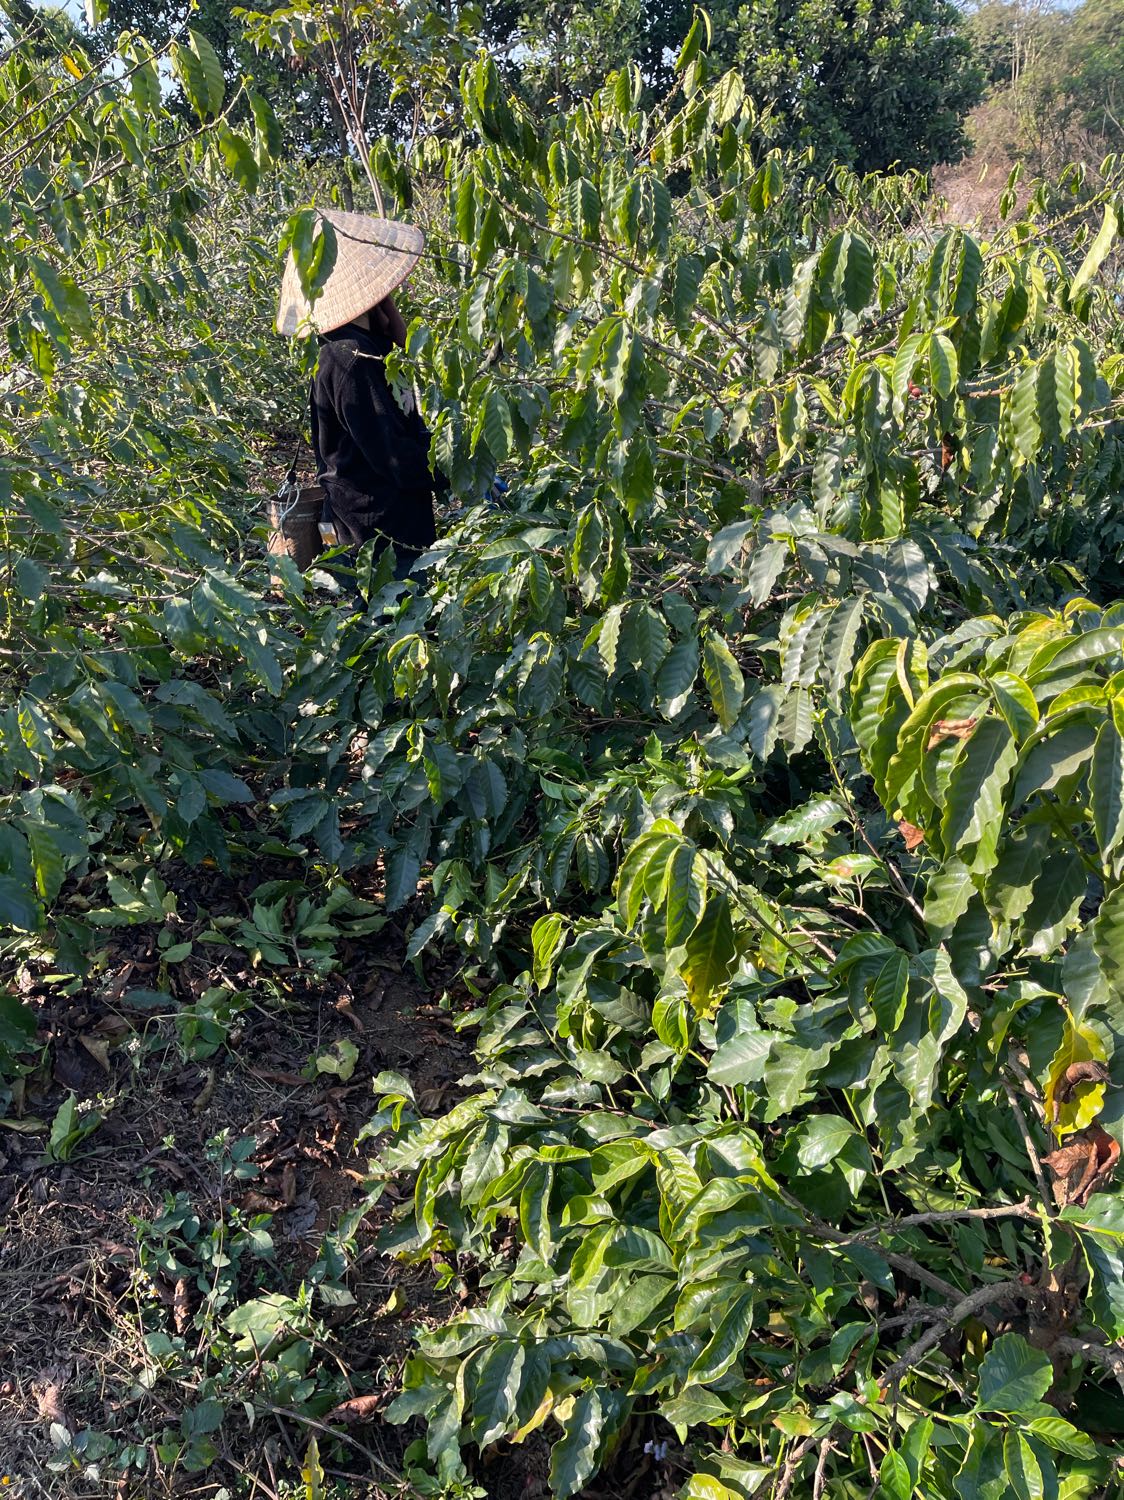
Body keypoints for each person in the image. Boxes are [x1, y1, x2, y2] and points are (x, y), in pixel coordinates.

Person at [276, 209, 446, 583]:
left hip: (387, 526)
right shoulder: (349, 359)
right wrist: (455, 468)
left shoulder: (368, 347)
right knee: (390, 615)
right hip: (377, 537)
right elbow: (394, 457)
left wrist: (392, 324)